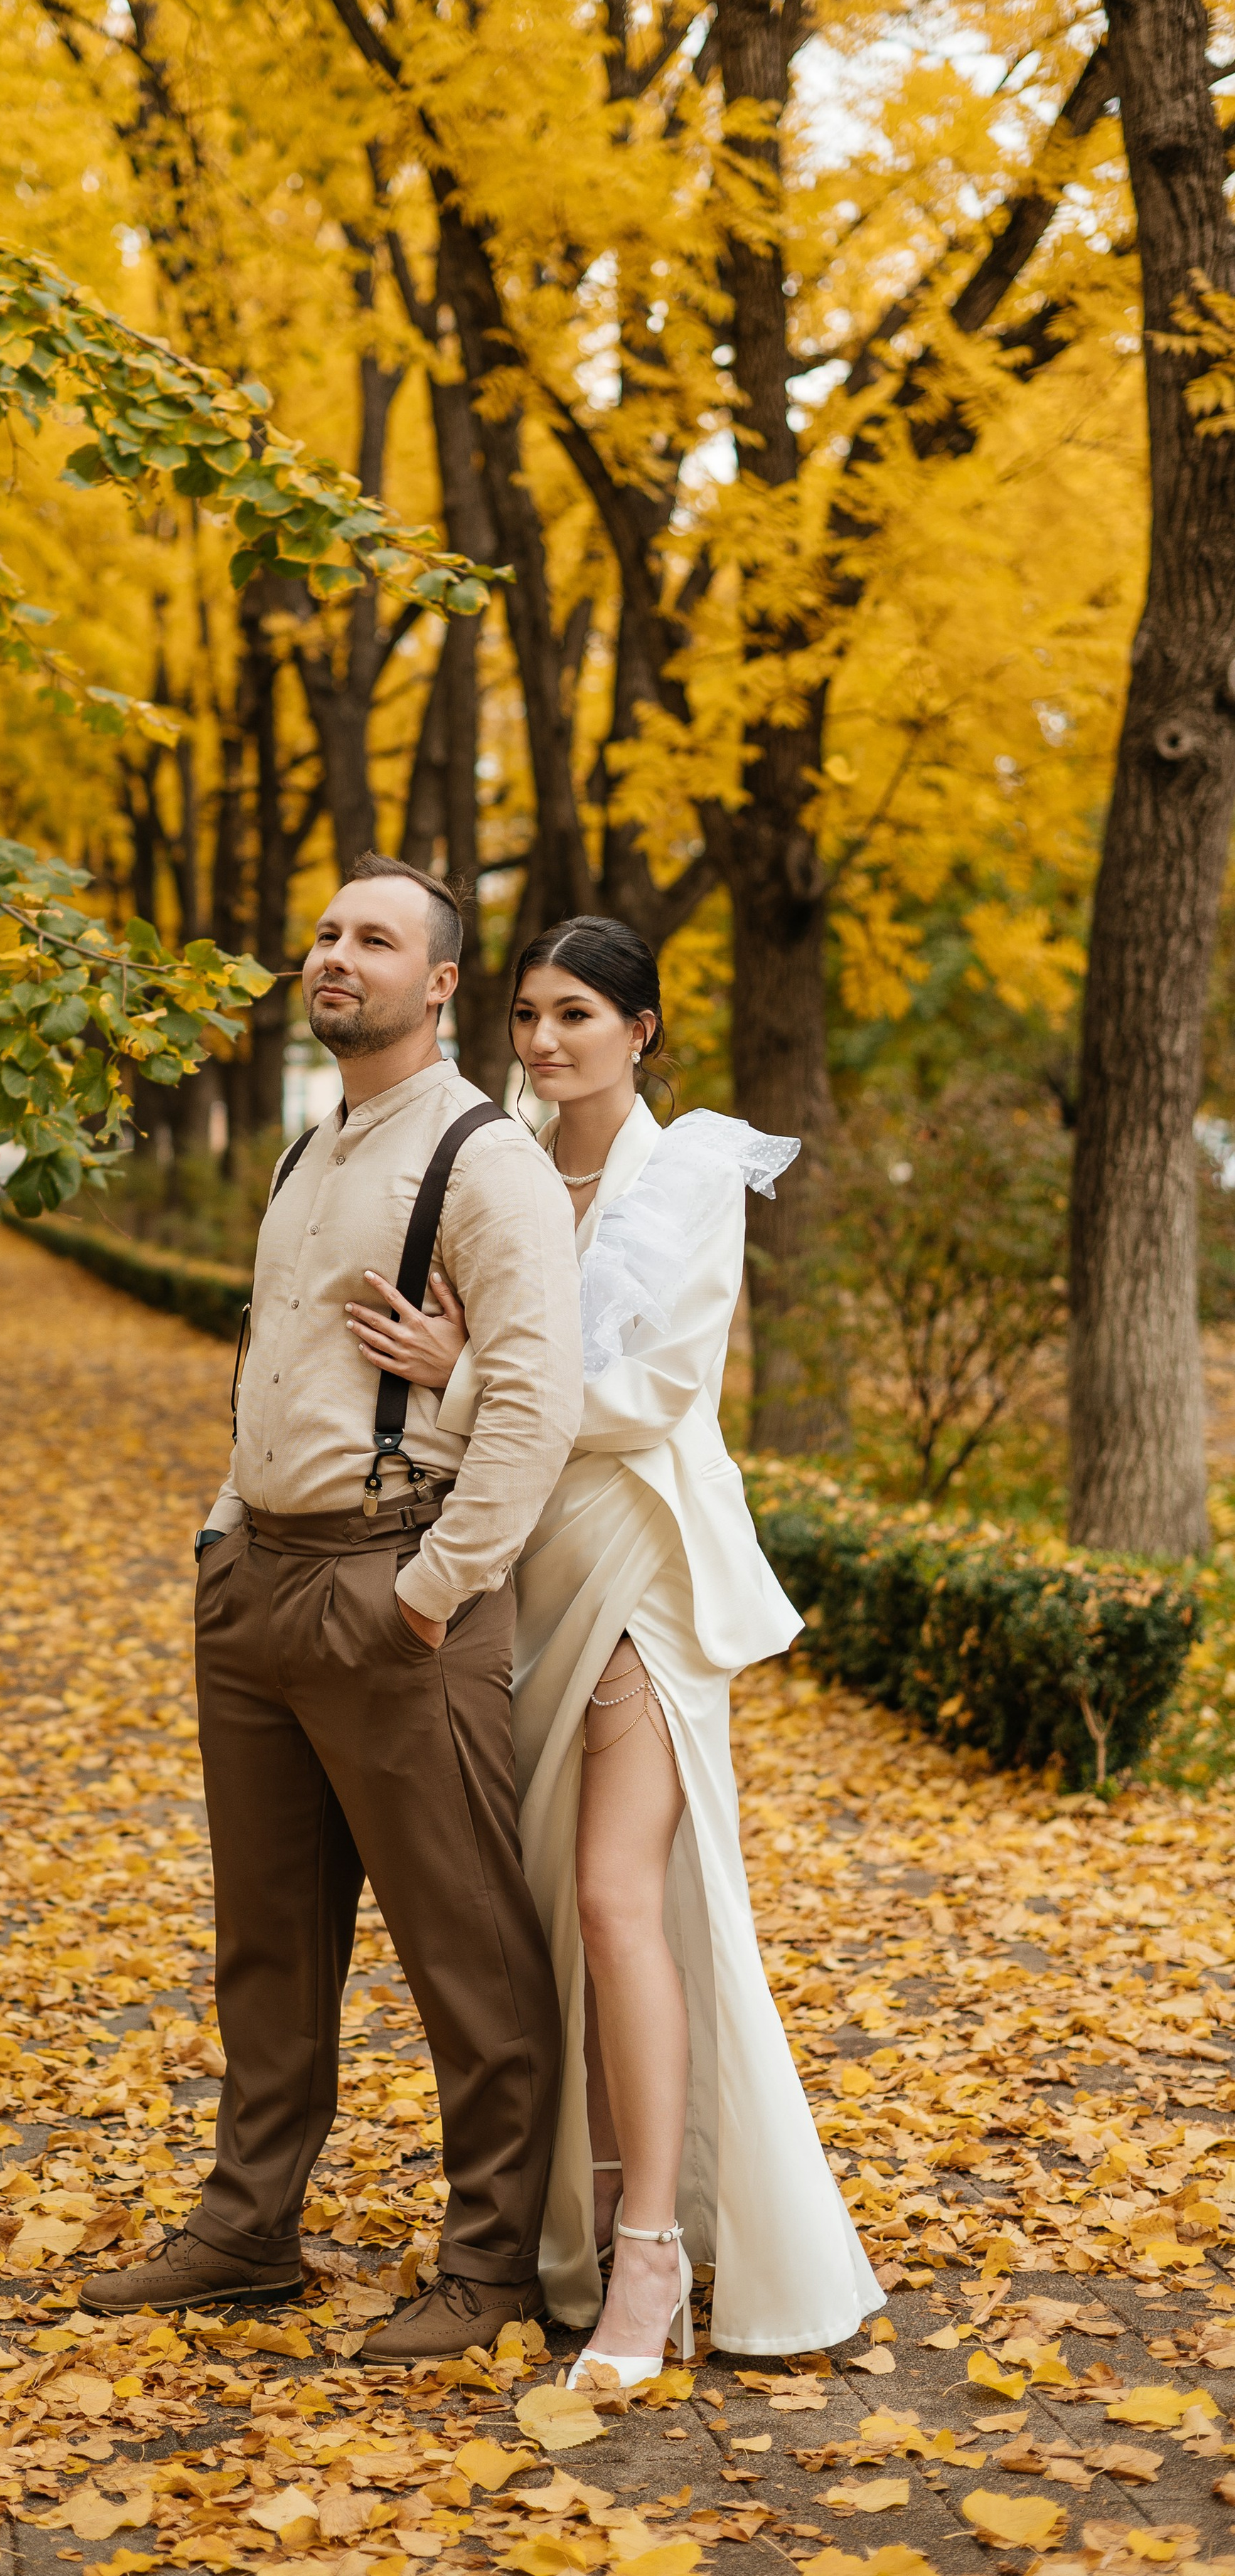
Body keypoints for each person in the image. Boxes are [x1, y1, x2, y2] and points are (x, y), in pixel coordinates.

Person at [346, 915, 883, 2386]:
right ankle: (575, 2222)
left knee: (611, 1901)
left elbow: (650, 1391)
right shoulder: (497, 1169)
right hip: (521, 1564)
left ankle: (652, 2250)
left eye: (576, 1014)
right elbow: (470, 1373)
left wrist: (472, 1382)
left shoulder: (689, 1169)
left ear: (640, 1029)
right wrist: (461, 1390)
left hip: (638, 1552)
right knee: (539, 1907)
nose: (542, 1042)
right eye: (525, 1013)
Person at [82, 854, 584, 2361]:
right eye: (322, 934)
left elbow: (535, 1402)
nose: (334, 957)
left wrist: (431, 1592)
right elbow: (276, 1364)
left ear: (437, 986)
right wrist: (224, 1533)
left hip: (394, 1582)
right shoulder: (312, 1150)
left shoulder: (484, 1157)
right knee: (267, 1943)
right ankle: (247, 2225)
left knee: (464, 1945)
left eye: (374, 939)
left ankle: (488, 2262)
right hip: (259, 1587)